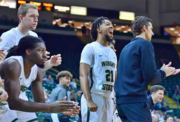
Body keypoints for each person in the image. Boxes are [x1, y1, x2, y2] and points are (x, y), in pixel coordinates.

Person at [115, 16, 180, 122]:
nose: (153, 33)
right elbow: (151, 77)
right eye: (151, 29)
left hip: (121, 102)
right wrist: (163, 73)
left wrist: (161, 71)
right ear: (144, 28)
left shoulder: (125, 48)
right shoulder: (145, 44)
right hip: (135, 101)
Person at [0, 36, 79, 122]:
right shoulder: (13, 64)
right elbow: (13, 103)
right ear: (28, 52)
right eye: (40, 51)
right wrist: (51, 107)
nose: (45, 55)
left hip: (17, 100)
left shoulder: (36, 70)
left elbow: (40, 103)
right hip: (8, 102)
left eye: (45, 51)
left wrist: (61, 108)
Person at [0, 3, 61, 71]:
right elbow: (1, 64)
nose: (36, 20)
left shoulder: (34, 36)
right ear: (21, 18)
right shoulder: (8, 36)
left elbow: (34, 70)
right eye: (32, 16)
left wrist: (50, 63)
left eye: (37, 16)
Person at [80, 16, 117, 122]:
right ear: (98, 29)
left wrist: (113, 99)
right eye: (107, 24)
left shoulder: (112, 53)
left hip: (109, 99)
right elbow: (83, 75)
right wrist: (89, 100)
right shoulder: (90, 48)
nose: (111, 26)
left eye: (111, 25)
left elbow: (114, 78)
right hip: (95, 96)